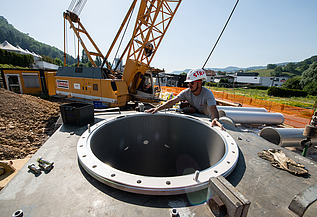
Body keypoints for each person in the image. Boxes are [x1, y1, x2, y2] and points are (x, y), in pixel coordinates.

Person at [146, 68, 223, 129]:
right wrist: (157, 109)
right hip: (196, 116)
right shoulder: (187, 92)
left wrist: (215, 119)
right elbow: (173, 101)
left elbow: (213, 109)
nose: (189, 85)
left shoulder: (208, 94)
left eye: (192, 83)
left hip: (207, 118)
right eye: (188, 83)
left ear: (199, 83)